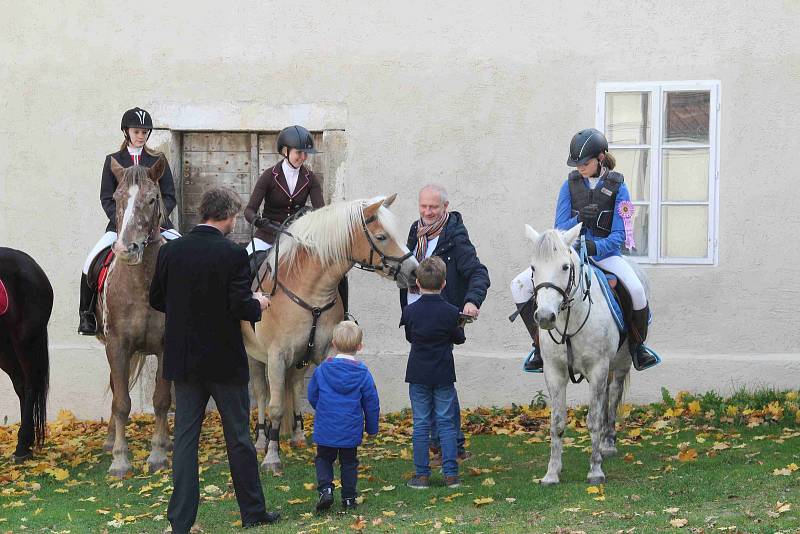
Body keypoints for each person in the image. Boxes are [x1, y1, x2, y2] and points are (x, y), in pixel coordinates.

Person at [149, 187, 279, 533]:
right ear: (228, 216)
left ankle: (180, 521)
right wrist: (259, 304)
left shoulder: (171, 252)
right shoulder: (233, 254)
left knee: (186, 441)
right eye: (235, 216)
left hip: (184, 362)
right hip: (224, 361)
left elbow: (158, 299)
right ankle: (252, 512)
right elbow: (240, 306)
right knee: (238, 437)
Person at [511, 128, 659, 373]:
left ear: (601, 157)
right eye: (576, 163)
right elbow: (559, 228)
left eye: (585, 163)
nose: (580, 167)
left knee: (636, 289)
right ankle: (539, 347)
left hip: (606, 256)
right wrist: (578, 217)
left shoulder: (619, 188)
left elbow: (620, 236)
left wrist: (594, 247)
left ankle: (637, 347)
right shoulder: (568, 186)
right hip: (569, 256)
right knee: (518, 285)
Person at [399, 184, 490, 462]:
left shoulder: (456, 235)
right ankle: (444, 445)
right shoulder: (415, 231)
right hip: (416, 318)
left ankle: (452, 447)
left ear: (445, 207)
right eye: (423, 206)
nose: (427, 212)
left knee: (440, 383)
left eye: (433, 207)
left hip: (442, 318)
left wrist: (472, 301)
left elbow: (478, 273)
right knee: (432, 382)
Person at [78, 106, 179, 335]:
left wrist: (157, 220)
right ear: (126, 132)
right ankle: (87, 315)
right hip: (120, 227)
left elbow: (170, 195)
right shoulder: (113, 160)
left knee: (187, 254)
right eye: (136, 131)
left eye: (144, 132)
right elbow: (106, 197)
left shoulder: (157, 160)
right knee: (90, 261)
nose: (141, 136)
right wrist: (124, 222)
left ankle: (189, 311)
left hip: (157, 225)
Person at [243, 125, 350, 314]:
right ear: (285, 151)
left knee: (338, 273)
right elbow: (249, 210)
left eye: (306, 153)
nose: (303, 157)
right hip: (266, 236)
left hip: (295, 237)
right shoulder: (269, 175)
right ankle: (241, 312)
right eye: (299, 152)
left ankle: (344, 315)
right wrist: (260, 222)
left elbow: (321, 212)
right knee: (243, 265)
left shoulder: (310, 178)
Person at [402, 257, 466, 489]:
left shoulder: (410, 311)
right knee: (446, 423)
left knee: (420, 424)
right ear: (444, 283)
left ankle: (422, 475)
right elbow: (458, 338)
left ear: (417, 283)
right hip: (443, 374)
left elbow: (410, 336)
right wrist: (461, 325)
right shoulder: (451, 312)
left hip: (418, 373)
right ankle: (450, 475)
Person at [307, 321, 380, 512]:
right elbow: (371, 403)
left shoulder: (322, 370)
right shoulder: (363, 373)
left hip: (326, 426)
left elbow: (312, 395)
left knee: (323, 458)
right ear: (360, 347)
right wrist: (372, 428)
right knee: (349, 462)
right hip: (350, 427)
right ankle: (348, 498)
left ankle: (326, 489)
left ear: (333, 343)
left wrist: (322, 409)